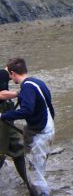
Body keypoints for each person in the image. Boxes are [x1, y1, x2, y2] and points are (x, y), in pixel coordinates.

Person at [0, 58, 55, 196]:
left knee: (36, 175)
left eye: (10, 76)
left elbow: (26, 111)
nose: (11, 80)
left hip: (40, 134)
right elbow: (49, 106)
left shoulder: (27, 87)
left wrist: (4, 116)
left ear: (13, 73)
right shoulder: (37, 82)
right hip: (48, 129)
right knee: (38, 170)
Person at [0, 69, 30, 192]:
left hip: (6, 117)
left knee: (18, 148)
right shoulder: (2, 74)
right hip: (2, 118)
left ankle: (30, 184)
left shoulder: (4, 75)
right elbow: (1, 94)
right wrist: (20, 93)